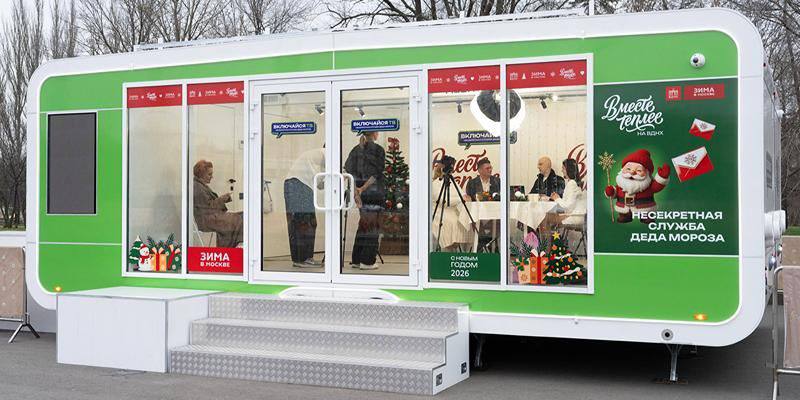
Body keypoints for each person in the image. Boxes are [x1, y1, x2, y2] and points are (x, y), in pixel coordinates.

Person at [344, 131, 385, 270]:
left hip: (360, 193)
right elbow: (376, 174)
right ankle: (367, 261)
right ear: (375, 134)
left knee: (364, 225)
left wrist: (356, 191)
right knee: (373, 226)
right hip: (374, 193)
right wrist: (363, 188)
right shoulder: (378, 150)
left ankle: (356, 259)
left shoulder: (356, 149)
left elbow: (349, 172)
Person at [284, 147, 325, 268]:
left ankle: (300, 258)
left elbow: (320, 185)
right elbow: (327, 175)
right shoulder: (326, 152)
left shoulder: (314, 156)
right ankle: (304, 259)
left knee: (299, 223)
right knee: (306, 223)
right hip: (300, 186)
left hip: (293, 185)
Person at [192, 160, 243, 248]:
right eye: (209, 174)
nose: (212, 177)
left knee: (242, 215)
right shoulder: (197, 187)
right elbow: (207, 208)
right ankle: (231, 247)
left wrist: (222, 199)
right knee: (238, 218)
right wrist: (222, 199)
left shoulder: (200, 186)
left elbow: (208, 205)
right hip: (207, 220)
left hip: (210, 217)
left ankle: (236, 244)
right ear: (201, 174)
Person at [431, 161, 471, 252]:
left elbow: (462, 194)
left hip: (453, 211)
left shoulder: (453, 182)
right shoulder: (435, 184)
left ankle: (460, 248)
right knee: (452, 222)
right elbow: (443, 200)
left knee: (465, 221)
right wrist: (461, 199)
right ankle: (449, 246)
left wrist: (465, 197)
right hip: (440, 211)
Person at [463, 157, 500, 252]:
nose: (490, 170)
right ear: (479, 170)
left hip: (494, 215)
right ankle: (486, 247)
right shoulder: (472, 183)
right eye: (487, 168)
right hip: (478, 215)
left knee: (498, 225)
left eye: (491, 168)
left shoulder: (497, 181)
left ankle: (486, 247)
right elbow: (470, 200)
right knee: (479, 228)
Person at [550, 159, 587, 225]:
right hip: (577, 214)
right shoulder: (574, 182)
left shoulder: (571, 183)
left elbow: (568, 206)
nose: (561, 170)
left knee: (546, 218)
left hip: (574, 216)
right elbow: (569, 203)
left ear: (569, 170)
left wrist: (556, 199)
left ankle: (545, 232)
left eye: (563, 168)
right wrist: (558, 197)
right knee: (549, 216)